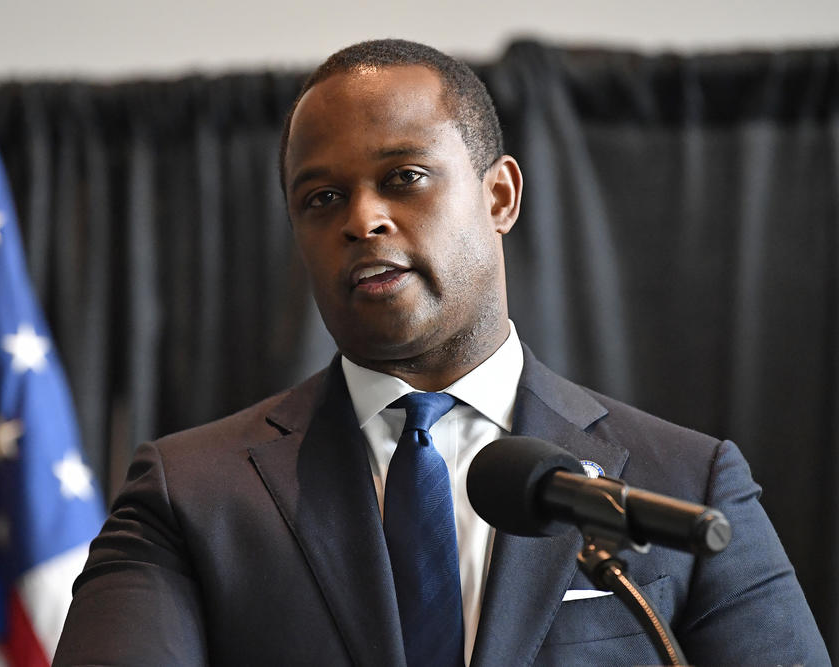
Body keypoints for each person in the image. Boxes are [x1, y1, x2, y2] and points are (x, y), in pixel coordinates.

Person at [53, 39, 829, 665]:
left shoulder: (687, 484)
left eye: (405, 177)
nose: (363, 220)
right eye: (321, 198)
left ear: (500, 196)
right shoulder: (186, 495)